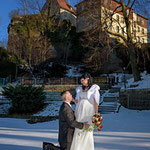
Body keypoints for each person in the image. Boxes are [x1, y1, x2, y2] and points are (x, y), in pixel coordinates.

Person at [70, 73, 100, 150]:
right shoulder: (79, 89)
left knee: (87, 128)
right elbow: (77, 101)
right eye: (81, 80)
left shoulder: (94, 88)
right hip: (79, 111)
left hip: (88, 111)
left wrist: (96, 113)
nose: (81, 81)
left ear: (88, 79)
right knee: (79, 127)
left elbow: (96, 101)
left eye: (83, 80)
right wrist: (71, 99)